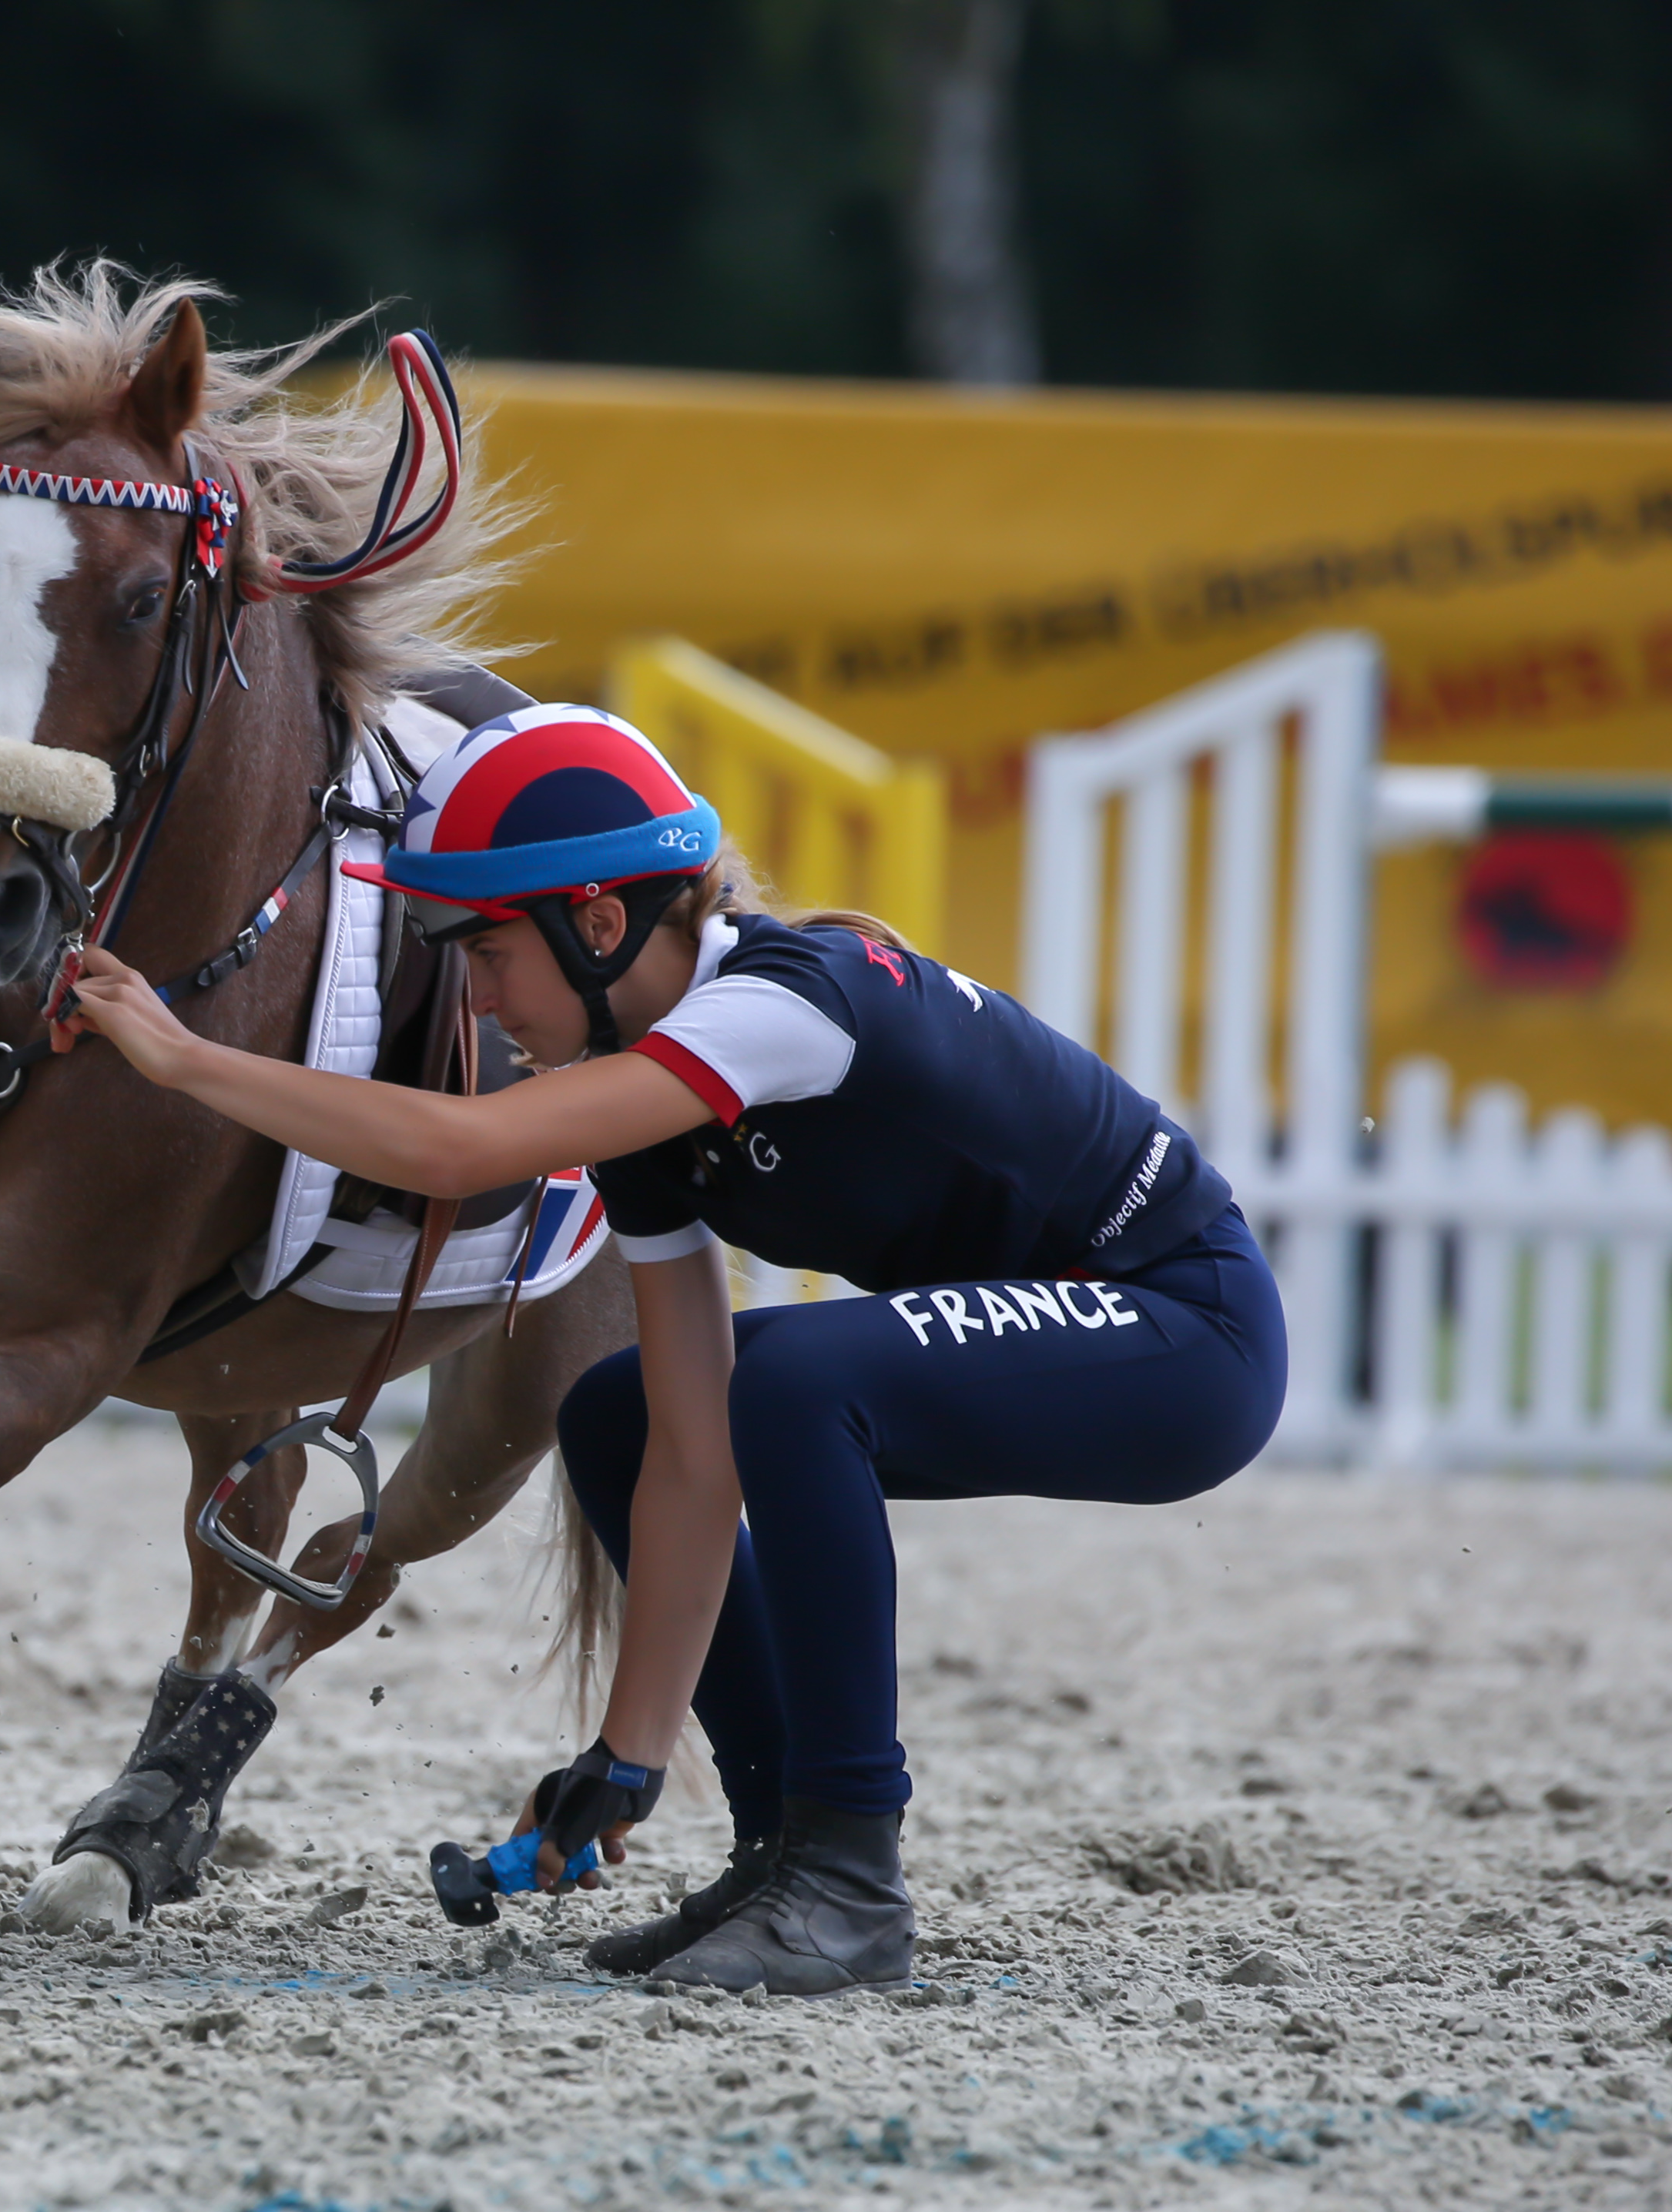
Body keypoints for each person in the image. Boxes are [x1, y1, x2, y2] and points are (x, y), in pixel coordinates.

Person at [65, 704, 1286, 1995]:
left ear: (597, 923)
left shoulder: (776, 1007)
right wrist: (627, 1754)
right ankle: (780, 1856)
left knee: (803, 1382)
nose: (472, 998)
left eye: (483, 953)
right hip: (1087, 1331)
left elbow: (455, 1146)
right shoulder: (649, 1102)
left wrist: (186, 1059)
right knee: (619, 1410)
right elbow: (692, 1444)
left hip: (1188, 1336)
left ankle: (849, 1877)